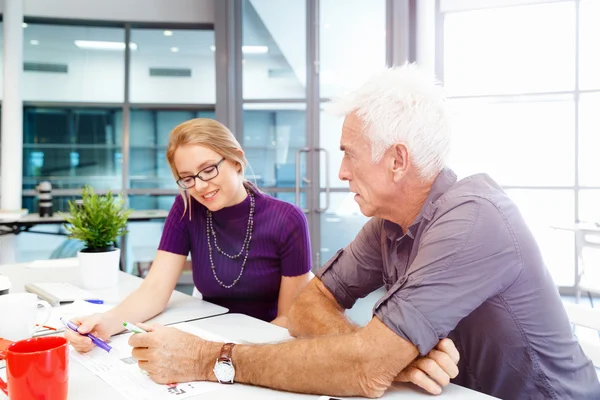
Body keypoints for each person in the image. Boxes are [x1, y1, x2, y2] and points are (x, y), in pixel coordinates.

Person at [128, 64, 600, 399]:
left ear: (397, 160)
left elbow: (366, 371)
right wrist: (389, 355)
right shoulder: (389, 223)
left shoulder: (473, 219)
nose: (341, 173)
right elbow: (311, 305)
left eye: (350, 153)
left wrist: (207, 359)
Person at [68, 117, 460, 395]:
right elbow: (156, 288)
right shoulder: (186, 209)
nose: (200, 186)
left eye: (208, 170)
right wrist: (106, 322)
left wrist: (220, 357)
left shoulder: (285, 219)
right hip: (213, 339)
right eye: (187, 179)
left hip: (267, 349)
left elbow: (290, 319)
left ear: (235, 159)